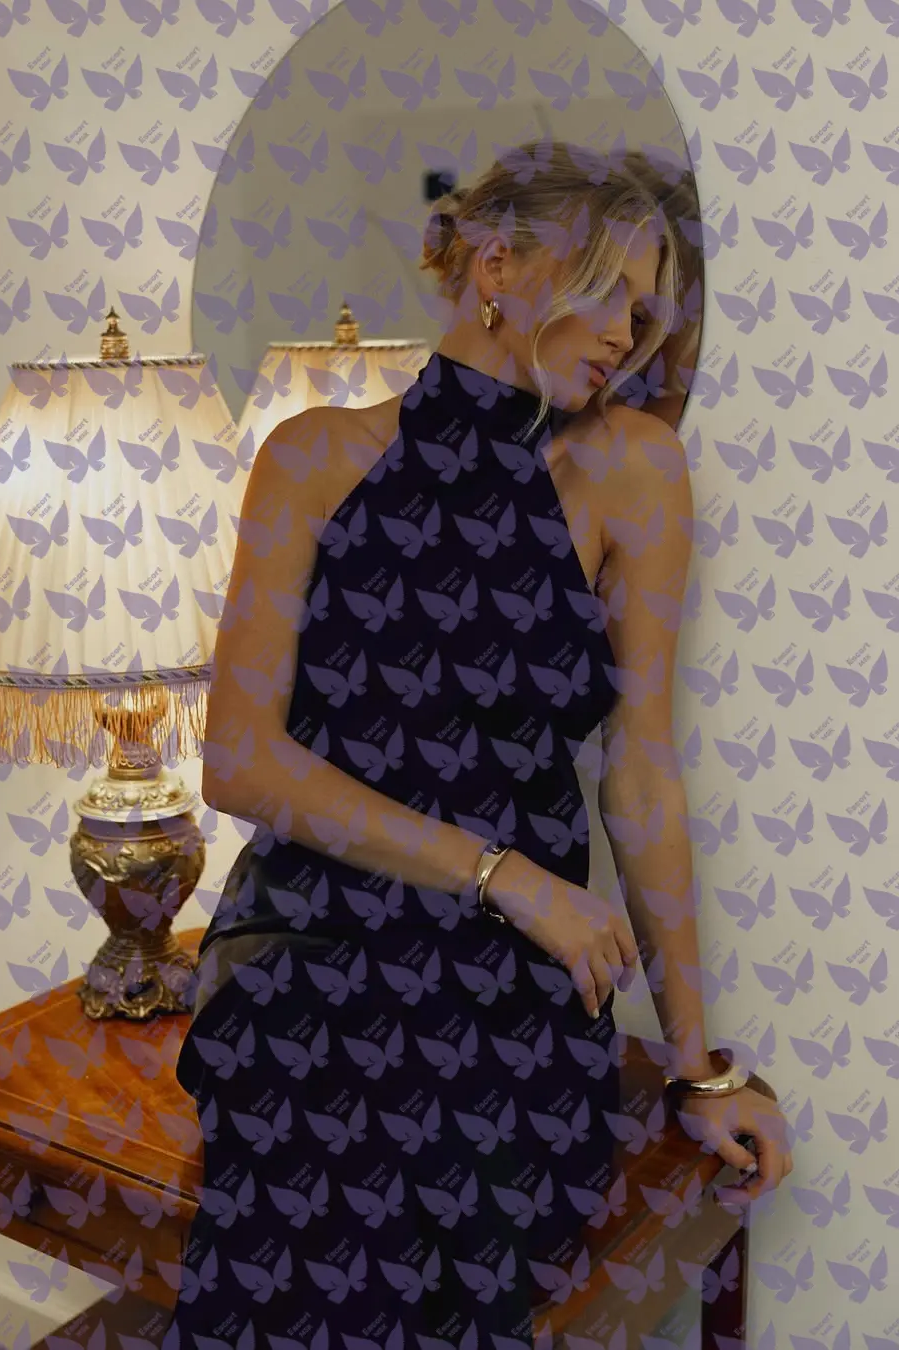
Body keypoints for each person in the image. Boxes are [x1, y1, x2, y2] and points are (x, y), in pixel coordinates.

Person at [168, 140, 793, 1350]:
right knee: (319, 1095)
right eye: (610, 290)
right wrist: (503, 874)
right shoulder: (311, 457)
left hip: (510, 980)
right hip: (311, 931)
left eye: (650, 312)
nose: (630, 335)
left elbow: (641, 773)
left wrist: (697, 1064)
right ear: (497, 265)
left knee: (439, 1147)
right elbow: (239, 759)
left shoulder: (634, 471)